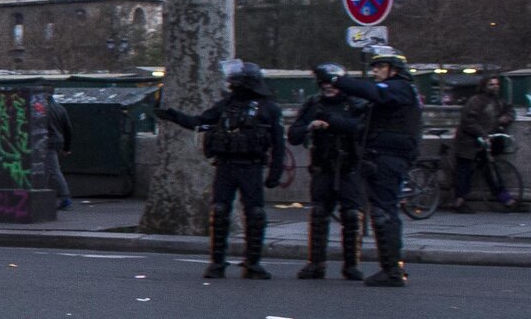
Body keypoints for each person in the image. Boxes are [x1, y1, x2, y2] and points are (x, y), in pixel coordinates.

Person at [156, 60, 283, 279]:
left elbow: (278, 143)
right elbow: (200, 122)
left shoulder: (268, 108)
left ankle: (253, 263)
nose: (231, 84)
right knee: (220, 211)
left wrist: (275, 172)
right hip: (226, 166)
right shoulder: (225, 106)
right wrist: (172, 115)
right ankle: (217, 262)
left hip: (251, 167)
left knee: (255, 214)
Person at [321, 51, 420, 287]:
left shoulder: (399, 88)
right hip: (382, 157)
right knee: (381, 211)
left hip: (388, 159)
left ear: (393, 70)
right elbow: (363, 126)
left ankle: (392, 269)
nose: (375, 71)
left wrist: (337, 80)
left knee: (384, 212)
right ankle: (390, 267)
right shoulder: (394, 94)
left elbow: (372, 92)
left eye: (380, 67)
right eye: (374, 67)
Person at [286, 72, 366, 279]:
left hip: (348, 167)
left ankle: (351, 265)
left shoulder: (354, 104)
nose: (328, 89)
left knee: (351, 215)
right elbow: (293, 135)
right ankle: (316, 263)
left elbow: (361, 129)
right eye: (324, 85)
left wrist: (332, 121)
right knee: (319, 214)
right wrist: (309, 127)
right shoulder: (313, 104)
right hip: (323, 166)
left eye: (331, 85)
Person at [448, 75, 515, 211]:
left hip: (484, 142)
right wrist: (482, 134)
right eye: (491, 84)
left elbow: (510, 110)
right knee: (464, 171)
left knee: (490, 169)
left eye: (497, 84)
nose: (495, 87)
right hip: (468, 142)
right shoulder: (475, 101)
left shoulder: (498, 101)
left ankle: (504, 197)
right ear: (484, 87)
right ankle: (459, 201)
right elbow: (468, 121)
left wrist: (506, 117)